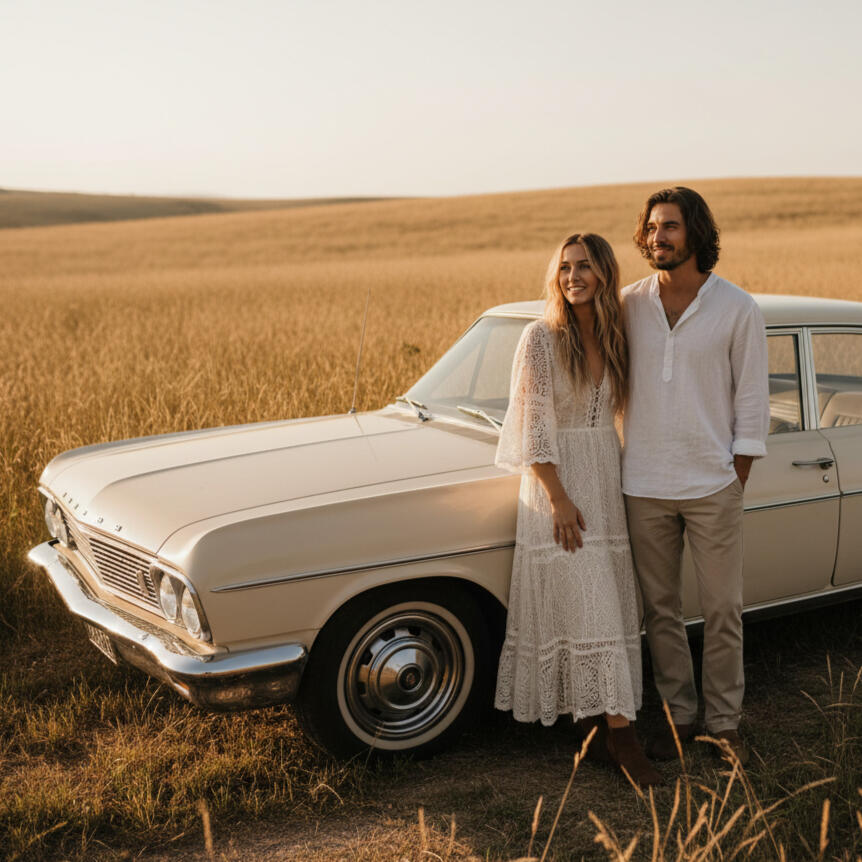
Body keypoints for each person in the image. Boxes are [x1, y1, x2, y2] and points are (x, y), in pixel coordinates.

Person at [495, 232, 662, 787]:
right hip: (557, 489)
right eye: (564, 267)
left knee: (606, 605)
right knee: (593, 609)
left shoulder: (617, 335)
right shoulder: (540, 338)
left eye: (584, 266)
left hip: (604, 481)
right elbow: (533, 425)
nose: (573, 276)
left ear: (604, 274)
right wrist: (558, 497)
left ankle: (593, 728)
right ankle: (626, 740)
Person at [622, 187, 770, 765]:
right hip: (643, 484)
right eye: (653, 228)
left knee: (722, 610)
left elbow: (752, 400)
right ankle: (678, 718)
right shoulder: (629, 303)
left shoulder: (737, 308)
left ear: (696, 234)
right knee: (660, 612)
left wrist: (735, 475)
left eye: (672, 227)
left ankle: (725, 724)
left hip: (712, 485)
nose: (659, 237)